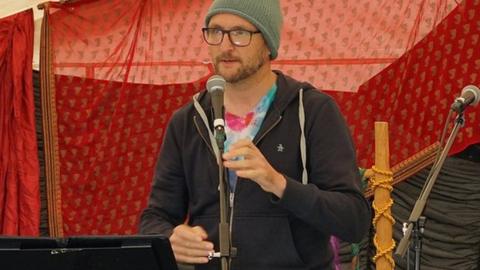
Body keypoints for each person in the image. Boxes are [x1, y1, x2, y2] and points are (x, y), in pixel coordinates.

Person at [139, 0, 371, 269]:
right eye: (215, 32)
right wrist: (169, 238)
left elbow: (353, 219)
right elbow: (155, 217)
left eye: (240, 33)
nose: (225, 46)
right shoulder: (188, 120)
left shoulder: (312, 110)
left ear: (268, 43)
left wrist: (279, 184)